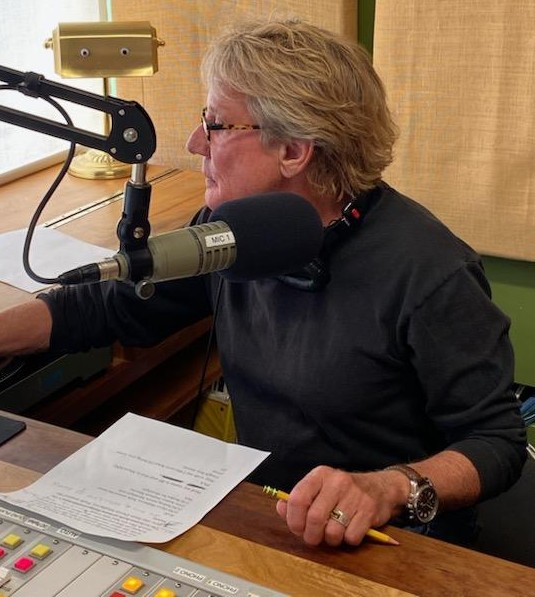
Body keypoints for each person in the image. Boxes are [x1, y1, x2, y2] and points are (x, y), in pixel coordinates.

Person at [0, 18, 526, 548]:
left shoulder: (431, 273)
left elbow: (495, 441)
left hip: (392, 538)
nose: (195, 143)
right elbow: (111, 306)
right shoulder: (229, 230)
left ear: (293, 151)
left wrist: (389, 488)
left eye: (215, 124)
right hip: (270, 511)